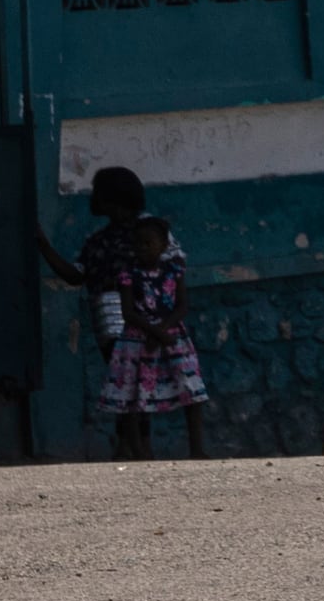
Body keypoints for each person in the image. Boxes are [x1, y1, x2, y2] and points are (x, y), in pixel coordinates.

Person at [47, 168, 206, 461]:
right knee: (130, 380)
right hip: (117, 316)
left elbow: (170, 275)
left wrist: (161, 326)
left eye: (98, 194)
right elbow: (77, 274)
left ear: (113, 200)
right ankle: (133, 448)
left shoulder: (150, 232)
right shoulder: (101, 240)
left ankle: (134, 448)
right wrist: (43, 247)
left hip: (151, 316)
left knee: (138, 380)